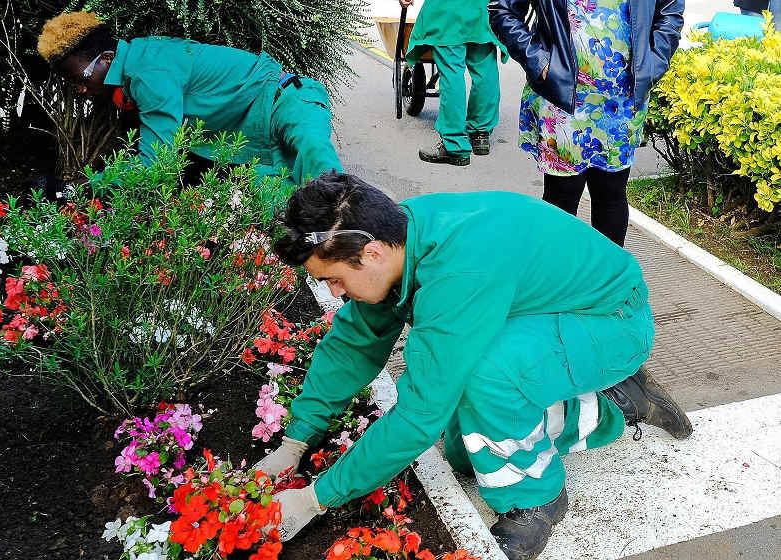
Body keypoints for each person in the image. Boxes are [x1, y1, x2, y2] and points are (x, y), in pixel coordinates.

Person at [259, 172, 692, 560]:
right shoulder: (397, 238)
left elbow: (419, 415)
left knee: (484, 378)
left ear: (370, 253)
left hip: (613, 322)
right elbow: (353, 345)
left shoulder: (457, 270)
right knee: (466, 450)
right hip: (552, 312)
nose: (335, 293)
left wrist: (316, 498)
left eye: (334, 279)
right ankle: (619, 403)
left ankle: (537, 498)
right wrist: (296, 442)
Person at [35, 11, 343, 189]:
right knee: (286, 212)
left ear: (106, 59)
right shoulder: (134, 68)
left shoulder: (147, 73)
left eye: (81, 78)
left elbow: (155, 163)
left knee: (326, 180)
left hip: (285, 102)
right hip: (254, 144)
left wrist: (83, 187)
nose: (80, 89)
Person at [488, 1, 684, 247]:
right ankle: (556, 280)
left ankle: (608, 280)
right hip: (562, 95)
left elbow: (670, 11)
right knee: (562, 195)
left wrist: (653, 63)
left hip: (621, 101)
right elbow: (503, 10)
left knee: (611, 192)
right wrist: (539, 61)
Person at [399, 0, 506, 166]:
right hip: (482, 9)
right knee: (485, 71)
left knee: (451, 74)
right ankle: (480, 134)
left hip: (448, 11)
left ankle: (454, 146)